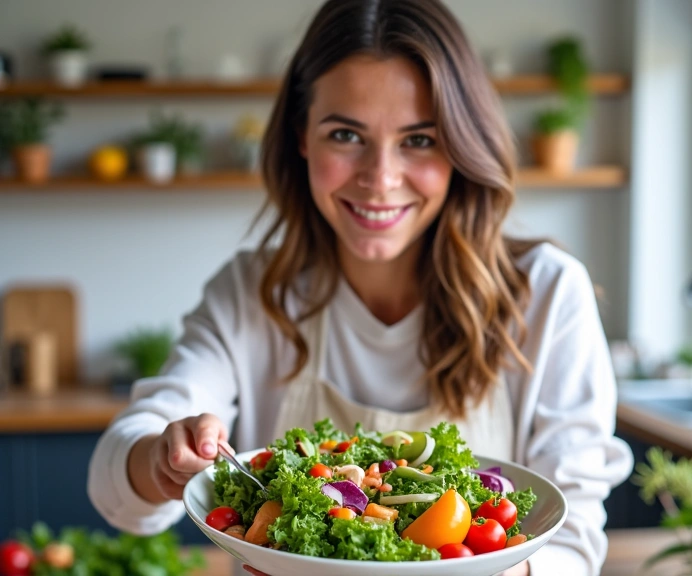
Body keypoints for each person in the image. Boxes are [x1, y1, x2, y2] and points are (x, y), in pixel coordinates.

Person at [88, 0, 633, 574]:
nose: (380, 179)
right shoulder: (252, 291)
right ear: (301, 137)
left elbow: (571, 539)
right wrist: (163, 456)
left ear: (462, 146)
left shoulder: (546, 294)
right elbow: (119, 486)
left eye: (419, 139)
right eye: (346, 133)